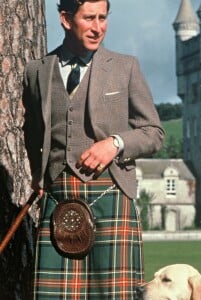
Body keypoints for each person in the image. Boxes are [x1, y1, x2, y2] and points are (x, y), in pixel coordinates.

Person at [22, 0, 164, 299]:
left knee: (114, 295)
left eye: (103, 17)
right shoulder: (37, 71)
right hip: (58, 198)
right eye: (89, 18)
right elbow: (32, 131)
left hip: (111, 195)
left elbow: (153, 133)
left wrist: (115, 144)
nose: (98, 27)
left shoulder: (126, 67)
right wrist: (39, 176)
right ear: (65, 18)